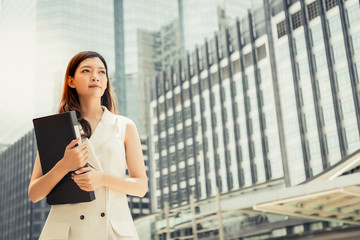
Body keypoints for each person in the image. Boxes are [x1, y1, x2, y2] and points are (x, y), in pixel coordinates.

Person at [28, 51, 148, 240]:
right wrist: (64, 165)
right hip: (67, 233)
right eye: (86, 71)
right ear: (71, 81)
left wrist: (102, 179)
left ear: (106, 81)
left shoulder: (124, 126)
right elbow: (34, 193)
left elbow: (141, 187)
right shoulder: (56, 128)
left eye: (101, 72)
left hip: (112, 231)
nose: (95, 76)